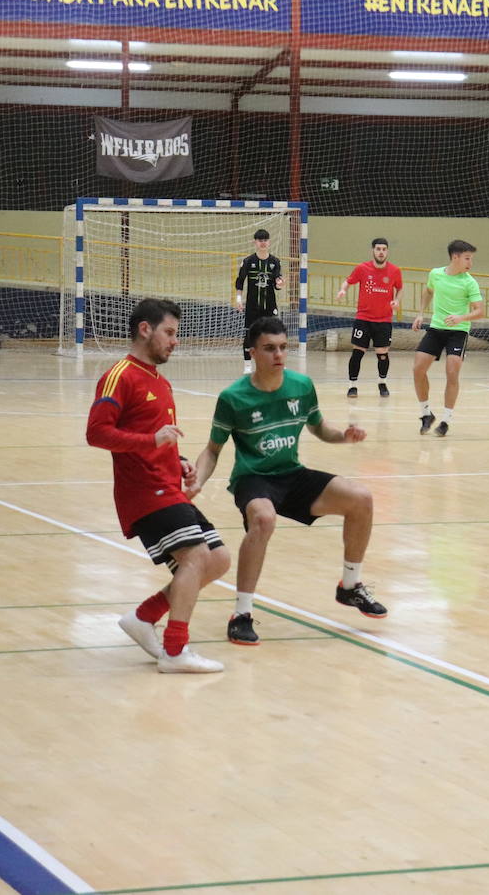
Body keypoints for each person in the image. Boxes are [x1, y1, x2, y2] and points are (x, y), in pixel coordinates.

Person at [188, 315, 386, 646]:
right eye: (269, 349)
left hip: (290, 474)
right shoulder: (233, 398)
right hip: (253, 479)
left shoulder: (302, 386)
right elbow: (212, 451)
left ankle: (350, 587)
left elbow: (320, 429)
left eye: (283, 347)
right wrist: (198, 482)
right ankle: (241, 613)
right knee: (263, 520)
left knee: (361, 498)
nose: (278, 355)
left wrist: (344, 436)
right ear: (252, 352)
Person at [86, 297, 231, 673]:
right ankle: (175, 650)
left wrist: (180, 463)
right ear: (144, 329)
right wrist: (152, 443)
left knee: (217, 560)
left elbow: (159, 437)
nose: (175, 341)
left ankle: (144, 617)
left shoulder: (160, 382)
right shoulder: (120, 375)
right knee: (196, 556)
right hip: (143, 491)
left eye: (176, 334)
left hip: (167, 486)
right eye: (169, 332)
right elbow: (97, 433)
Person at [411, 239, 485, 437]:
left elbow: (480, 311)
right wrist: (420, 313)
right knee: (418, 369)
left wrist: (461, 317)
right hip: (436, 328)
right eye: (467, 258)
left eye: (471, 259)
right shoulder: (436, 274)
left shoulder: (469, 282)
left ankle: (445, 420)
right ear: (455, 257)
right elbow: (428, 291)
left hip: (458, 331)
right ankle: (426, 414)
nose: (470, 263)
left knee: (452, 372)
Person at [337, 236, 403, 398]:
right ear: (373, 250)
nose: (381, 252)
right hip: (364, 318)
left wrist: (396, 300)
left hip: (384, 320)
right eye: (378, 249)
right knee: (357, 352)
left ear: (387, 251)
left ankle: (382, 383)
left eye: (384, 249)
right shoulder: (362, 268)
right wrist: (343, 290)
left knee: (382, 353)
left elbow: (400, 288)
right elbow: (348, 281)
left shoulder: (395, 271)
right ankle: (352, 386)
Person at [234, 228, 283, 375]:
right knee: (250, 335)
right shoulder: (248, 261)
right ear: (255, 242)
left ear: (269, 242)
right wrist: (238, 299)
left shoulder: (275, 261)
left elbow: (277, 283)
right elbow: (240, 281)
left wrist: (279, 284)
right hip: (252, 305)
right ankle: (248, 365)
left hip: (269, 305)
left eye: (265, 240)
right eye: (260, 240)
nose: (263, 243)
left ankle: (273, 363)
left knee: (273, 335)